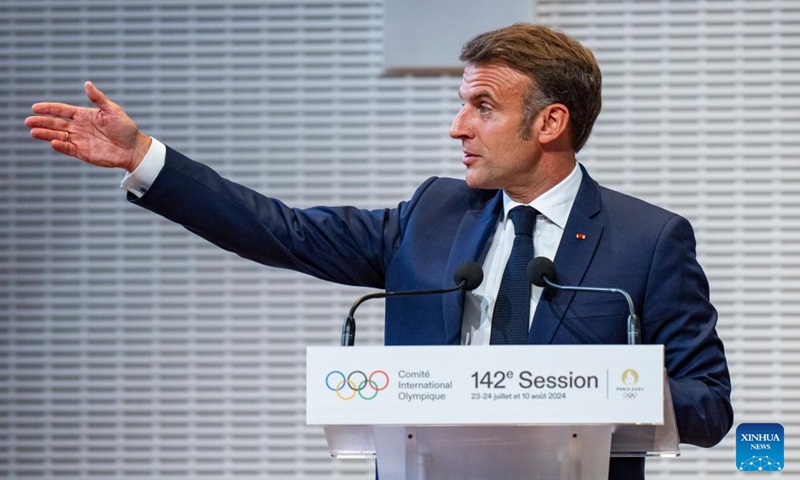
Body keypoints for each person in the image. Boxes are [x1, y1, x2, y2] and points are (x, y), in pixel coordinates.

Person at [25, 23, 732, 480]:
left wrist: (610, 392)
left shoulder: (648, 239)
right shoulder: (432, 215)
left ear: (551, 122)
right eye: (462, 103)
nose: (459, 126)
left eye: (483, 107)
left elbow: (709, 404)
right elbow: (284, 231)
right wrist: (144, 158)